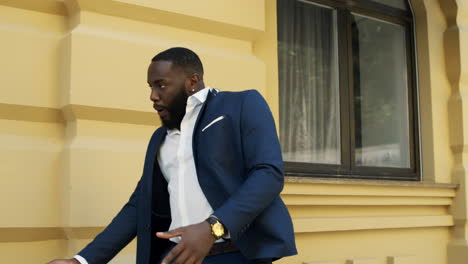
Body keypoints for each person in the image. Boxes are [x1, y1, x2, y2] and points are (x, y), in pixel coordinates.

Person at [48, 47, 297, 264]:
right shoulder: (160, 139)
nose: (153, 96)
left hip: (234, 255)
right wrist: (82, 260)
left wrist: (213, 228)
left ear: (192, 82)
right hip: (175, 256)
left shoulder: (241, 104)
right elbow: (139, 206)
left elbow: (268, 175)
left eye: (161, 85)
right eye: (151, 87)